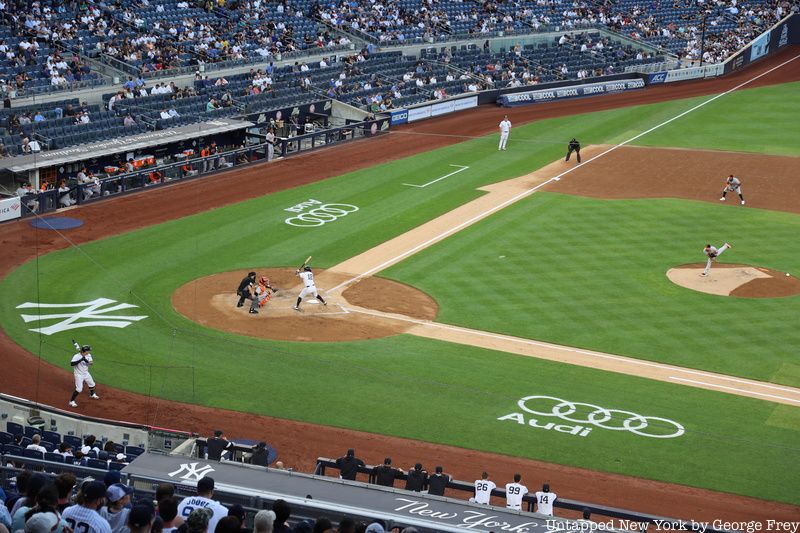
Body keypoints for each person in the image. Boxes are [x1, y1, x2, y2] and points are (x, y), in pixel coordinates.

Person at [68, 342, 100, 407]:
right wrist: (80, 360)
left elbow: (91, 363)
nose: (89, 351)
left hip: (86, 373)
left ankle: (92, 394)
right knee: (79, 389)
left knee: (92, 384)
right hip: (78, 374)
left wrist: (85, 360)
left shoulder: (88, 355)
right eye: (88, 350)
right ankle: (71, 401)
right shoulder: (76, 356)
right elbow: (72, 364)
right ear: (85, 351)